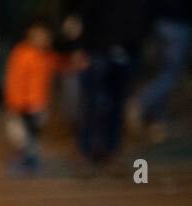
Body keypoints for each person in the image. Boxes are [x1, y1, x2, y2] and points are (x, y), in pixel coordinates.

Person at [63, 1, 151, 168]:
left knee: (117, 104)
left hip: (128, 50)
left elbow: (145, 15)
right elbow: (82, 16)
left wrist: (136, 41)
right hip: (97, 50)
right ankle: (86, 150)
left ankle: (111, 150)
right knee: (92, 103)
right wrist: (79, 48)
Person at [3, 18, 62, 174]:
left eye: (44, 35)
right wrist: (14, 103)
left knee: (33, 136)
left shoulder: (48, 56)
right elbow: (14, 80)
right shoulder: (22, 54)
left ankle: (30, 162)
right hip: (22, 105)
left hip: (38, 105)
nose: (41, 39)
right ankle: (24, 161)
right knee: (20, 136)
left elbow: (60, 65)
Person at [134, 0, 190, 142]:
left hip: (159, 23)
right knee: (171, 75)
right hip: (177, 22)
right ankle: (142, 102)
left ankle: (156, 121)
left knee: (163, 72)